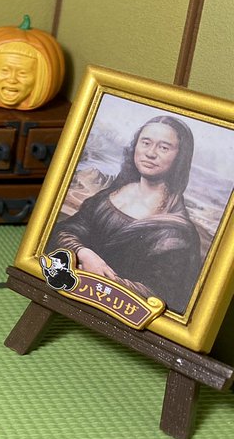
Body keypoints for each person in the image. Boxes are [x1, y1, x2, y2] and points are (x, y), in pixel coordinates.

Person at [48, 115, 202, 314]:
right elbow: (65, 231)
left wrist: (100, 278)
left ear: (180, 157)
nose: (150, 153)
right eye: (145, 143)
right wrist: (83, 253)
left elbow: (162, 296)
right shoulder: (109, 196)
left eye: (164, 147)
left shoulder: (178, 233)